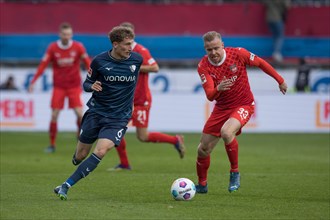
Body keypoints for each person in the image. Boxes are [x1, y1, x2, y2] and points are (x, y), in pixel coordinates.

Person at [53, 26, 143, 201]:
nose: (131, 48)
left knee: (101, 151)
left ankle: (66, 185)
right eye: (126, 44)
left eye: (131, 43)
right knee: (80, 156)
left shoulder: (137, 60)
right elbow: (86, 83)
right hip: (96, 112)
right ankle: (77, 160)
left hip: (119, 118)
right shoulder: (99, 61)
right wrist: (91, 86)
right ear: (115, 44)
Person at [195, 31, 287, 194]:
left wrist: (280, 80)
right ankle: (202, 185)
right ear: (205, 49)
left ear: (222, 45)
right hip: (221, 108)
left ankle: (235, 172)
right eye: (209, 50)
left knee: (226, 132)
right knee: (202, 149)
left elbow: (261, 63)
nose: (214, 53)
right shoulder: (203, 66)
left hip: (244, 104)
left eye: (216, 48)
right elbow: (210, 95)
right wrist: (219, 88)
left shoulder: (238, 54)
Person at [108, 22, 185, 171]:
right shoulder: (117, 52)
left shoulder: (140, 50)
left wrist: (134, 67)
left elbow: (155, 67)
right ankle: (124, 164)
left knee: (142, 137)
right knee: (115, 128)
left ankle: (175, 140)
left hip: (140, 100)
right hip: (124, 100)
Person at [28, 22, 91, 153]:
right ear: (60, 34)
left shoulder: (78, 47)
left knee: (80, 114)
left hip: (74, 86)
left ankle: (79, 136)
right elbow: (43, 65)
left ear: (71, 34)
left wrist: (97, 76)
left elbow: (88, 63)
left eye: (68, 34)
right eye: (64, 34)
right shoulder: (52, 48)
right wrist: (34, 81)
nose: (66, 36)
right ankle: (52, 144)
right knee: (54, 115)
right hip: (59, 87)